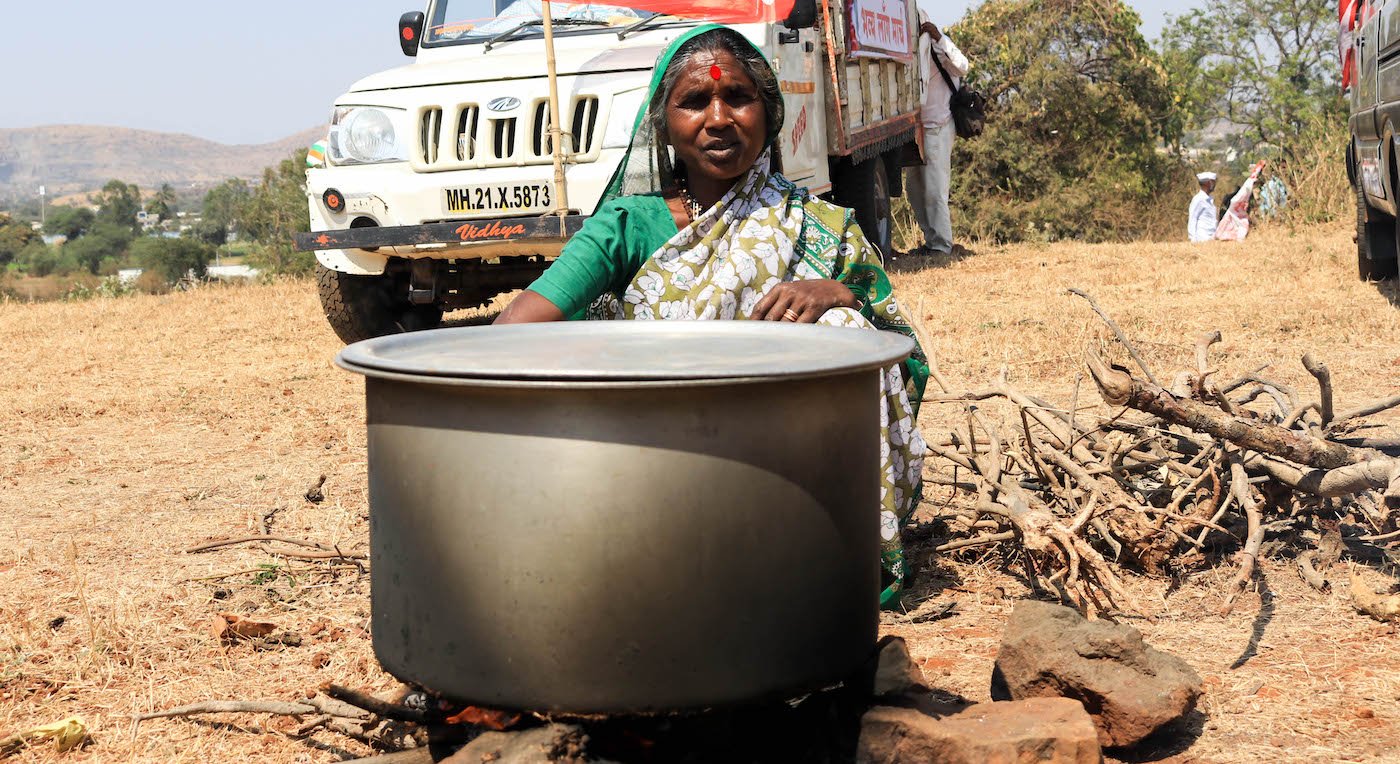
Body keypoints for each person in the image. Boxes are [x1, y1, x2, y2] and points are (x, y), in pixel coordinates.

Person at [495, 24, 929, 607]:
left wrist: (840, 295)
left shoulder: (819, 227)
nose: (719, 117)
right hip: (658, 470)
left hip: (788, 479)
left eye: (738, 98)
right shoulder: (627, 227)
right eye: (695, 101)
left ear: (768, 112)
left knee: (848, 336)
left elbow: (900, 348)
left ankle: (832, 556)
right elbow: (512, 334)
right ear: (666, 126)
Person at [903, 3, 969, 257]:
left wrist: (939, 37)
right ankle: (931, 241)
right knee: (916, 190)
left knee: (935, 188)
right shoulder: (915, 52)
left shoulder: (937, 48)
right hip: (920, 129)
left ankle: (942, 245)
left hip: (939, 125)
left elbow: (963, 65)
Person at [1188, 171, 1218, 242]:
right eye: (1213, 182)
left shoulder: (1210, 199)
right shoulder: (1198, 199)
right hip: (1202, 238)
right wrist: (1192, 239)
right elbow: (1193, 219)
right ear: (1208, 183)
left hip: (1211, 237)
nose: (1214, 185)